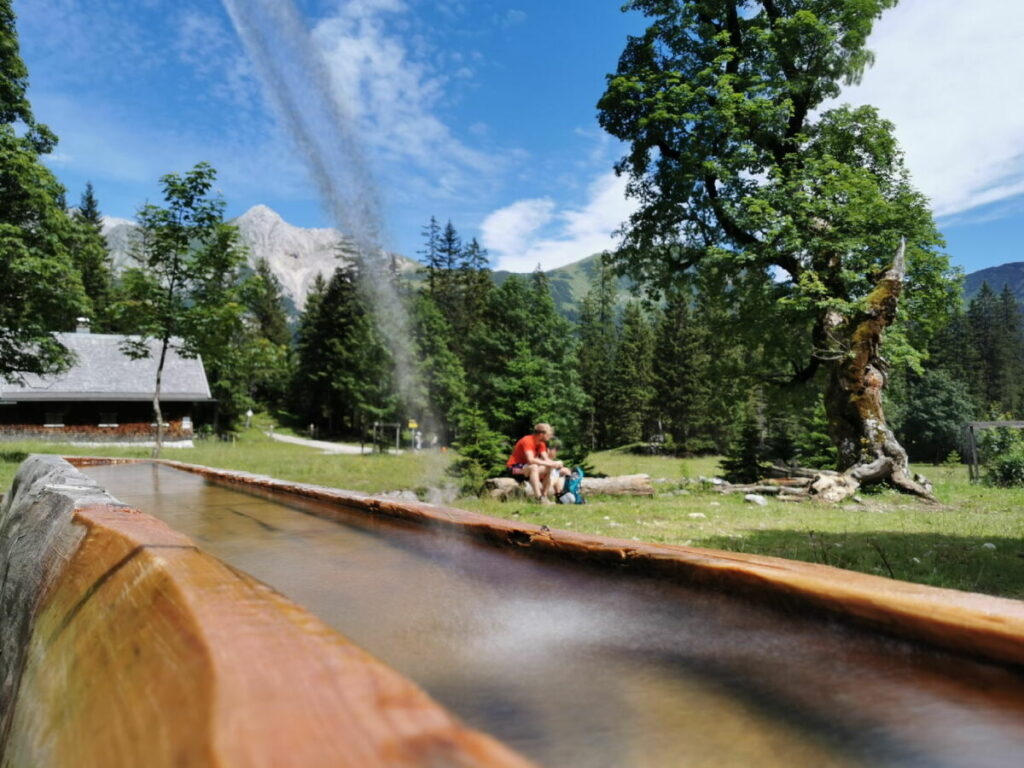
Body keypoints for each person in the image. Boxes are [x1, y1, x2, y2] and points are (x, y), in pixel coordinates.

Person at [506, 422, 570, 503]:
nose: (550, 436)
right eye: (548, 434)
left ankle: (544, 496)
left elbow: (546, 460)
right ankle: (539, 498)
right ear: (541, 434)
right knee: (534, 467)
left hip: (527, 469)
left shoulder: (541, 444)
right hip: (514, 469)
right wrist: (551, 463)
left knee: (550, 467)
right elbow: (531, 460)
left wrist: (556, 464)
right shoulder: (527, 440)